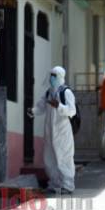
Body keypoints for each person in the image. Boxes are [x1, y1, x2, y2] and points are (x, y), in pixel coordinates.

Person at [27, 66, 76, 194]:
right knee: (49, 158)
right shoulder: (49, 92)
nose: (51, 78)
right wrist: (33, 111)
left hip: (62, 132)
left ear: (60, 76)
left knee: (64, 158)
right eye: (51, 75)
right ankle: (55, 184)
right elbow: (41, 106)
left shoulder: (66, 92)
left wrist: (59, 106)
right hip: (50, 131)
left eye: (54, 76)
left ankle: (68, 185)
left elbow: (72, 111)